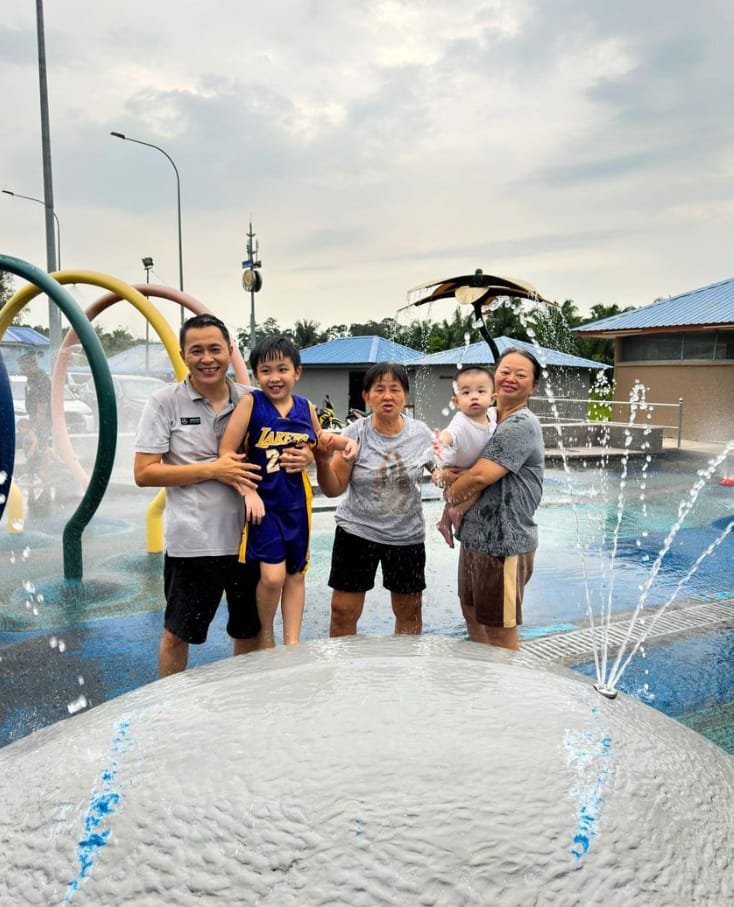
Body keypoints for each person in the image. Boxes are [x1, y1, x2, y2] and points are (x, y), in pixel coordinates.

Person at [134, 314, 312, 677]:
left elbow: (298, 443)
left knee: (247, 631)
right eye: (196, 350)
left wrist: (308, 454)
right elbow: (144, 472)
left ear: (230, 352)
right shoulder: (165, 402)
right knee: (178, 634)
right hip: (193, 542)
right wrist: (212, 469)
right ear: (184, 355)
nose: (207, 358)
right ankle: (169, 708)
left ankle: (244, 705)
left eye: (215, 349)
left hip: (249, 538)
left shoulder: (253, 400)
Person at [219, 336, 357, 648]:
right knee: (272, 577)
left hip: (296, 505)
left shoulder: (305, 407)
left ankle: (293, 643)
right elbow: (226, 453)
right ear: (256, 374)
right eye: (265, 370)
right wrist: (247, 491)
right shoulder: (251, 404)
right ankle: (266, 637)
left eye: (282, 369)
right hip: (263, 507)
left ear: (297, 372)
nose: (274, 377)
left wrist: (344, 442)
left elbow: (319, 438)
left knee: (296, 574)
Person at [316, 362, 435, 637]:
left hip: (406, 536)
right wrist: (322, 461)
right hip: (357, 532)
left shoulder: (421, 434)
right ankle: (345, 674)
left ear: (405, 395)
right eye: (379, 389)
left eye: (395, 389)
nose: (387, 396)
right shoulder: (353, 434)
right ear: (366, 396)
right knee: (342, 611)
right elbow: (334, 489)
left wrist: (451, 481)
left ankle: (403, 672)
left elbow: (441, 471)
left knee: (410, 610)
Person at [443, 348, 544, 651]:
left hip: (505, 543)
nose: (510, 378)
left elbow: (478, 477)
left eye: (520, 374)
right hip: (475, 539)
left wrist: (449, 484)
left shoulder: (520, 424)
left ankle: (508, 692)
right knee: (472, 613)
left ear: (533, 386)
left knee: (500, 629)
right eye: (505, 371)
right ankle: (485, 687)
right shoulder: (485, 419)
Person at [432, 365, 496, 548]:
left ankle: (444, 522)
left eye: (481, 391)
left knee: (481, 479)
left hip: (468, 466)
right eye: (466, 393)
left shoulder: (493, 419)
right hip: (453, 467)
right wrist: (440, 442)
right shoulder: (461, 420)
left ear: (492, 398)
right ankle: (457, 512)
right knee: (479, 483)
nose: (474, 396)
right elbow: (450, 433)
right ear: (457, 401)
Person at [18, 350, 51, 479]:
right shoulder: (31, 379)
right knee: (33, 444)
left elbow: (42, 408)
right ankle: (36, 472)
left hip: (43, 418)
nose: (23, 372)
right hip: (35, 417)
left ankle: (45, 474)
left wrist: (34, 427)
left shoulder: (41, 379)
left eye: (24, 369)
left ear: (32, 366)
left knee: (41, 445)